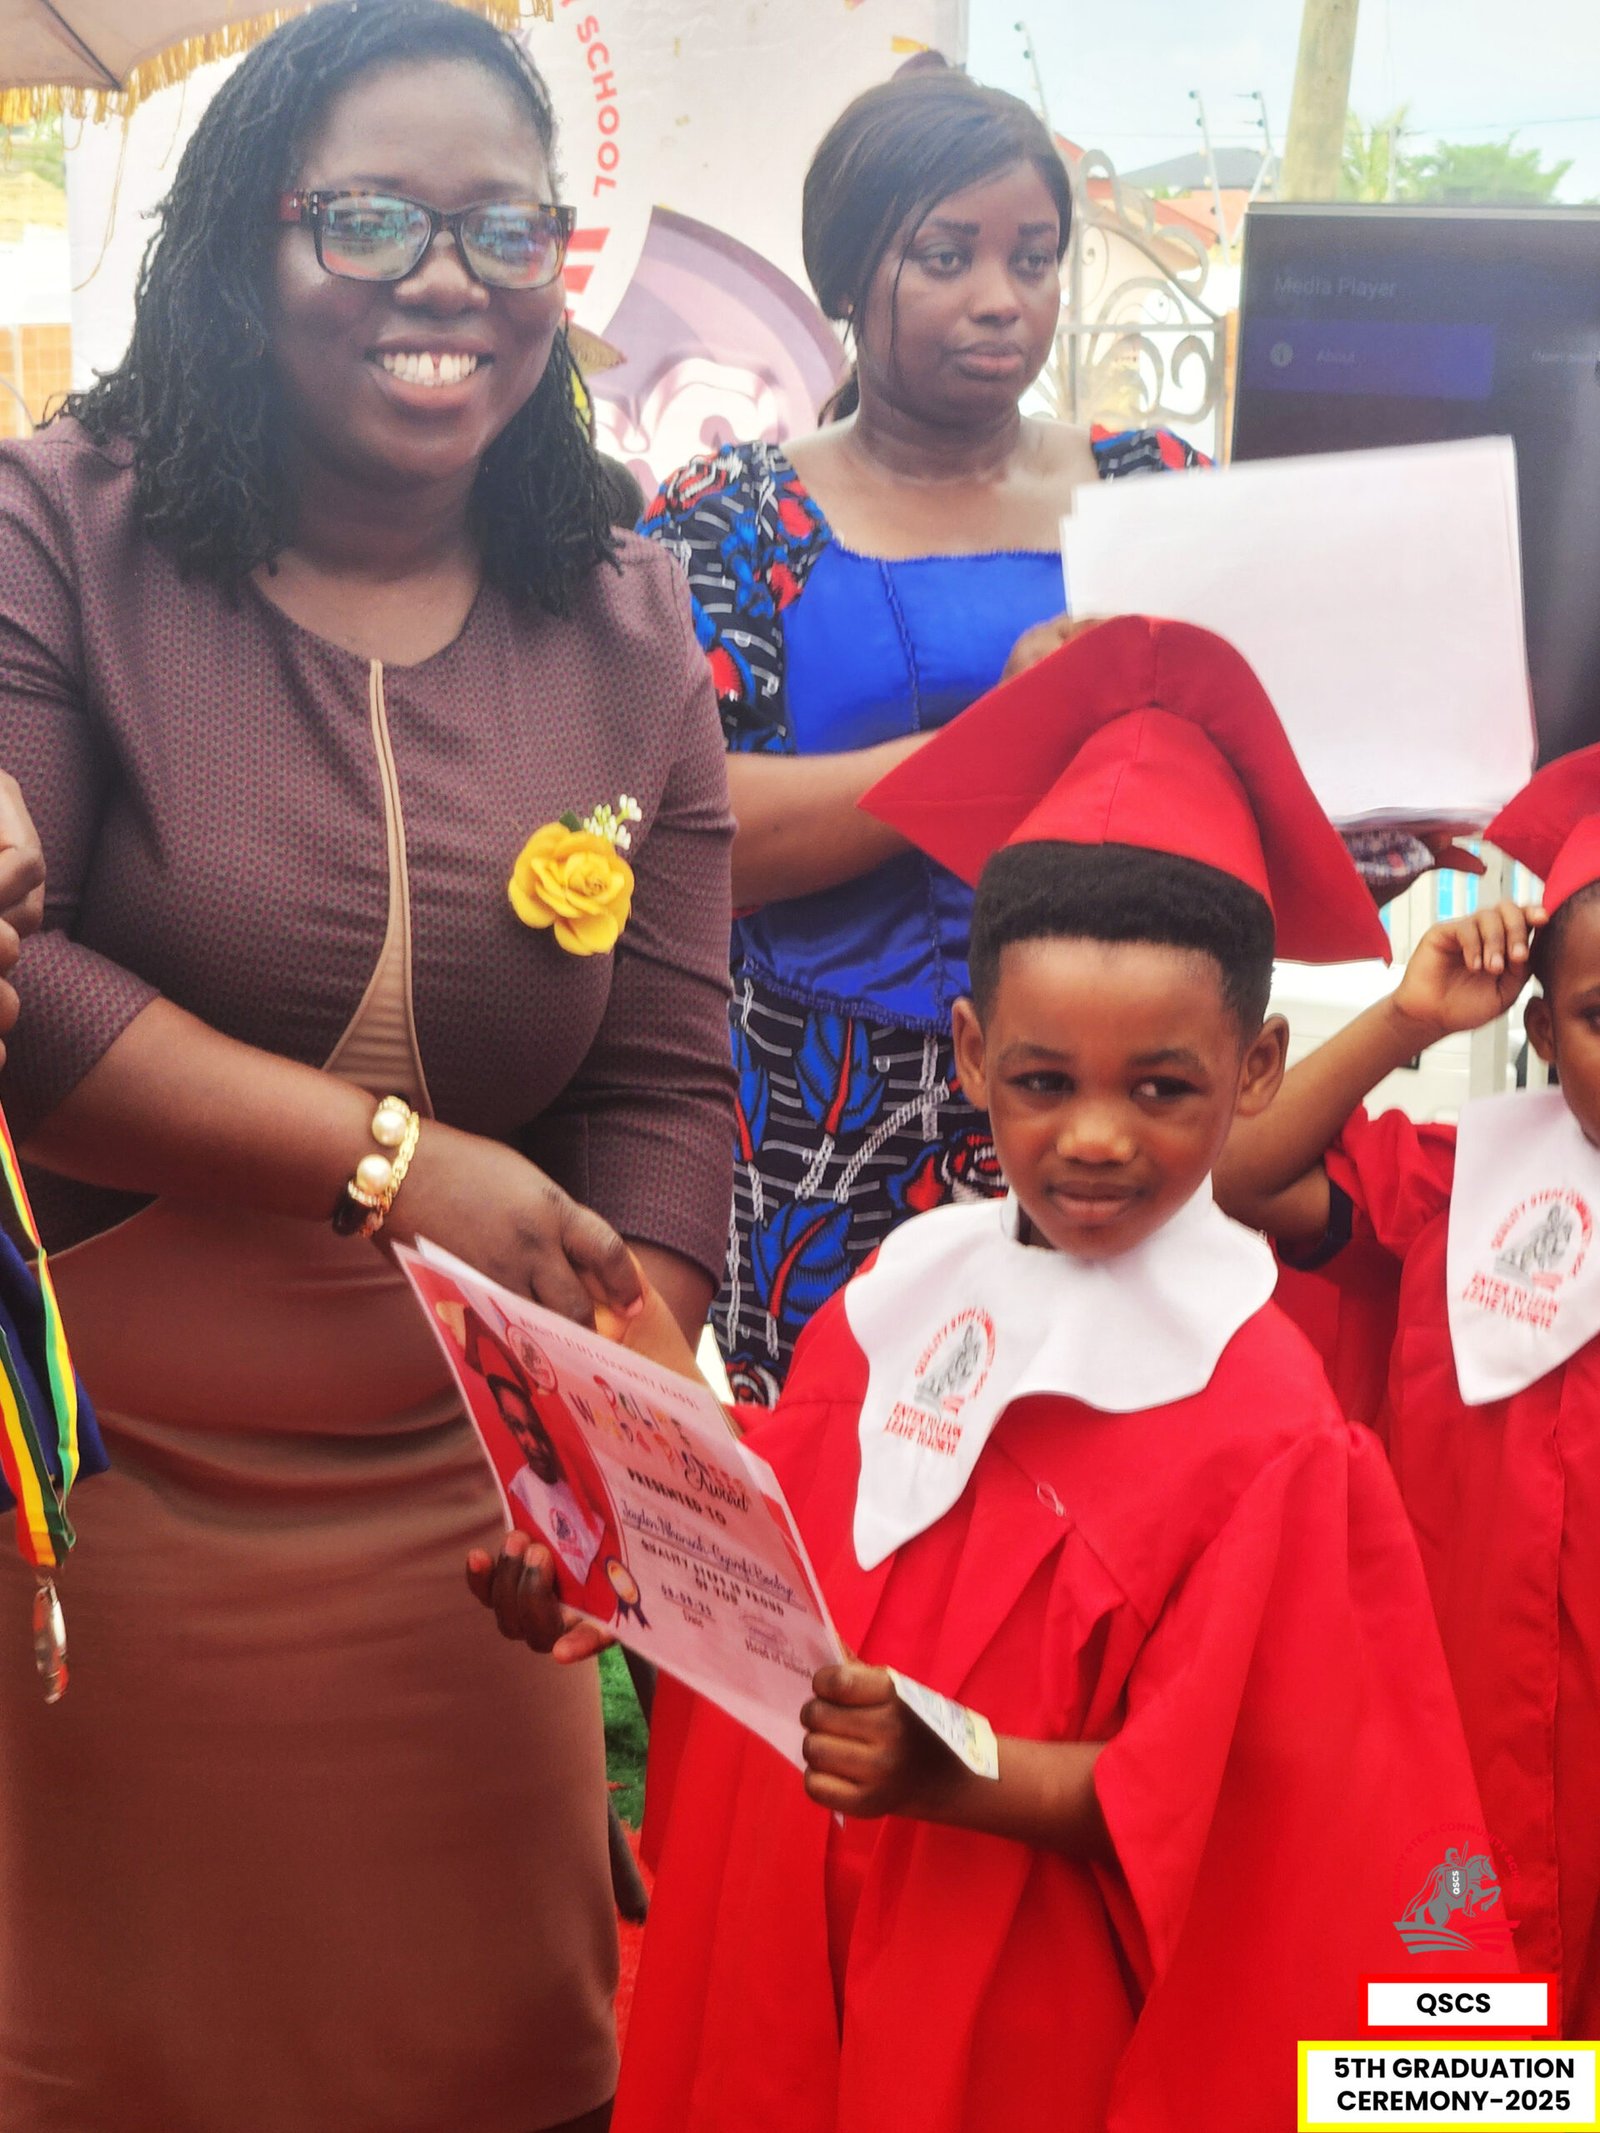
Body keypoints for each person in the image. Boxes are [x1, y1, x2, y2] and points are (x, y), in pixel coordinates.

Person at [0, 3, 733, 2126]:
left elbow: (665, 1083)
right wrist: (403, 1163)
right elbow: (18, 993)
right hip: (103, 1489)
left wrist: (602, 1449)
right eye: (373, 220)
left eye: (504, 230)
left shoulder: (625, 617)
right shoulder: (65, 529)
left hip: (464, 1521)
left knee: (505, 2057)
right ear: (251, 239)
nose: (447, 280)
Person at [476, 619, 1498, 2132]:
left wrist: (966, 1776)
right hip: (800, 1979)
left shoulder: (1267, 1425)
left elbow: (1269, 1813)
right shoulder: (887, 1312)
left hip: (1040, 2026)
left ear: (1258, 1068)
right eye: (1043, 1080)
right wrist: (612, 1568)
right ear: (969, 1054)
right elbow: (779, 1608)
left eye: (1164, 1087)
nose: (1095, 1135)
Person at [638, 68, 1206, 1404]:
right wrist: (1003, 739)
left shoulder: (1155, 490)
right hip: (822, 1108)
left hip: (1116, 1096)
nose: (1002, 298)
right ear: (847, 275)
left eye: (1033, 257)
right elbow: (682, 835)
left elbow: (1224, 776)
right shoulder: (731, 520)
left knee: (1107, 1456)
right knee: (845, 1467)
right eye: (947, 258)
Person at [1215, 744, 1600, 2036]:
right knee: (1446, 2084)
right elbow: (1240, 1175)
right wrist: (1410, 1019)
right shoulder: (1454, 1187)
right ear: (1542, 1033)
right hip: (1454, 1774)